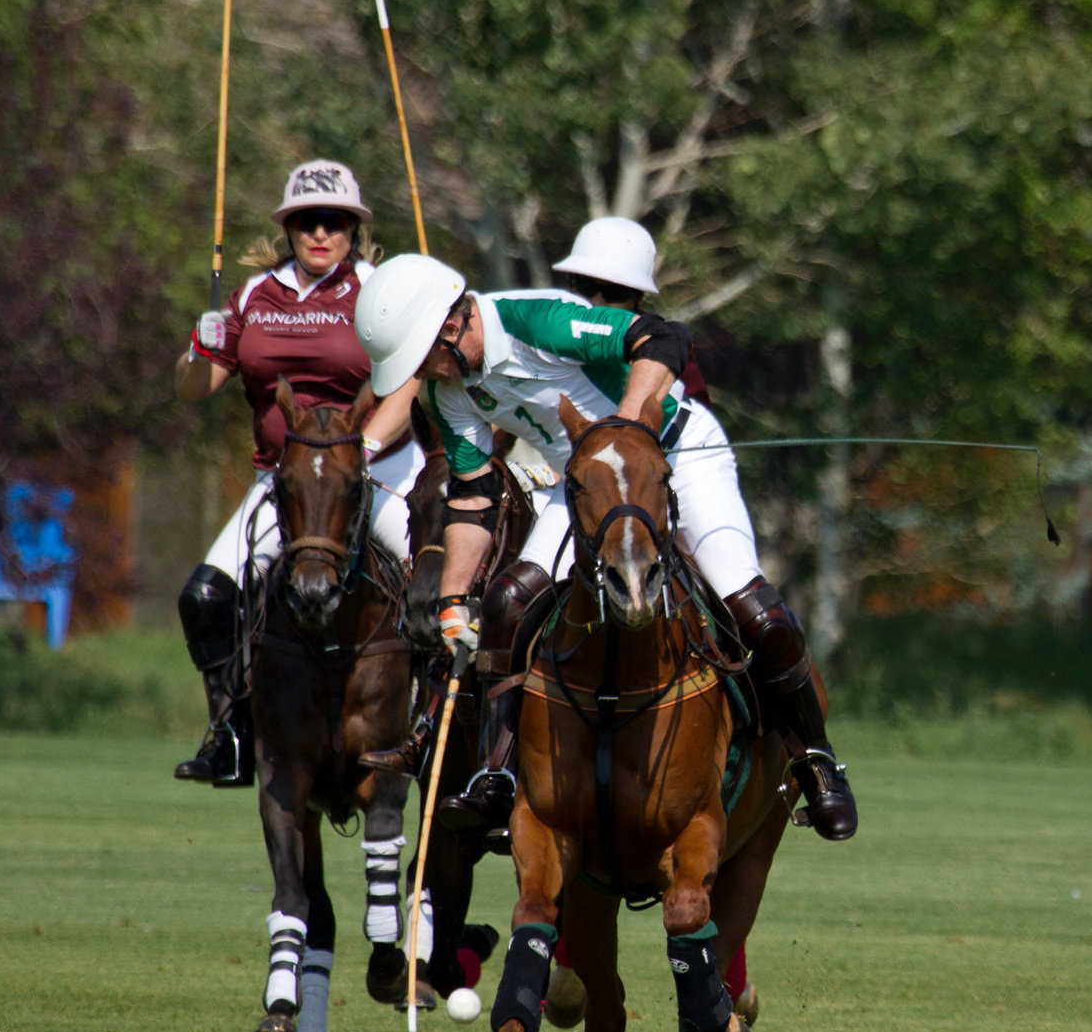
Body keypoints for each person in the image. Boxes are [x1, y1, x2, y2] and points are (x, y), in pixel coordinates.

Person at [351, 217, 859, 842]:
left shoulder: (539, 321)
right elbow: (475, 496)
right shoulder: (451, 392)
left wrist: (626, 433)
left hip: (675, 453)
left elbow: (663, 338)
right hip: (584, 484)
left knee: (753, 607)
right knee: (507, 606)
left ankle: (816, 760)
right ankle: (499, 775)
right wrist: (456, 596)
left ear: (452, 324)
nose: (422, 374)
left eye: (422, 357)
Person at [170, 160, 429, 785]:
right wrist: (197, 349)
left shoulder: (379, 289)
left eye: (334, 222)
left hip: (382, 473)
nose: (320, 233)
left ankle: (438, 736)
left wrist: (358, 452)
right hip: (282, 485)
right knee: (204, 598)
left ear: (353, 228)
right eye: (306, 222)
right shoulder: (254, 297)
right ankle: (231, 731)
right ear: (289, 229)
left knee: (438, 597)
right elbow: (194, 390)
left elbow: (413, 380)